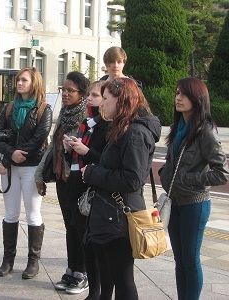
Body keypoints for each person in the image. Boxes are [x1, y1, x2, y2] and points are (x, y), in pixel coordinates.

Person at [82, 78, 161, 300]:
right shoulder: (122, 127)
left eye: (106, 99)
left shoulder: (134, 133)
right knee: (110, 277)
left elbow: (132, 180)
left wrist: (93, 173)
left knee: (123, 281)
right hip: (109, 214)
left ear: (121, 99)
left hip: (119, 218)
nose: (102, 104)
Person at [158, 77, 229, 300]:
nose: (178, 98)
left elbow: (222, 173)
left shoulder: (206, 131)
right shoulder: (178, 127)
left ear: (197, 99)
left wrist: (188, 179)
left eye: (184, 94)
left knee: (190, 259)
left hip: (195, 204)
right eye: (177, 93)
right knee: (179, 260)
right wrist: (164, 174)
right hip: (175, 202)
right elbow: (172, 161)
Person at [0, 67, 52, 279]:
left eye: (24, 80)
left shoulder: (44, 109)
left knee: (33, 214)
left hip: (32, 167)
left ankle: (33, 262)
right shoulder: (9, 108)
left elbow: (37, 140)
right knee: (10, 214)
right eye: (18, 80)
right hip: (10, 167)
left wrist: (14, 154)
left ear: (34, 83)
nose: (19, 83)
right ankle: (8, 260)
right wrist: (9, 156)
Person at [35, 71, 90, 294]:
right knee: (69, 226)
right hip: (62, 179)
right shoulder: (65, 114)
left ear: (82, 94)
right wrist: (40, 175)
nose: (65, 94)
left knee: (80, 227)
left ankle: (83, 272)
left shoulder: (87, 118)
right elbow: (51, 147)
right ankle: (71, 269)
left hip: (79, 180)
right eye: (63, 90)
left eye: (70, 90)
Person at [62, 81, 113, 299]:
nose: (89, 99)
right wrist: (69, 150)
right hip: (75, 183)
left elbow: (106, 161)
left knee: (87, 237)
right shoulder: (87, 123)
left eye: (95, 95)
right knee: (72, 229)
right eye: (89, 95)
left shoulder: (107, 127)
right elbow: (78, 158)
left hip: (92, 189)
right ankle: (73, 270)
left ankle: (85, 276)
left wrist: (86, 150)